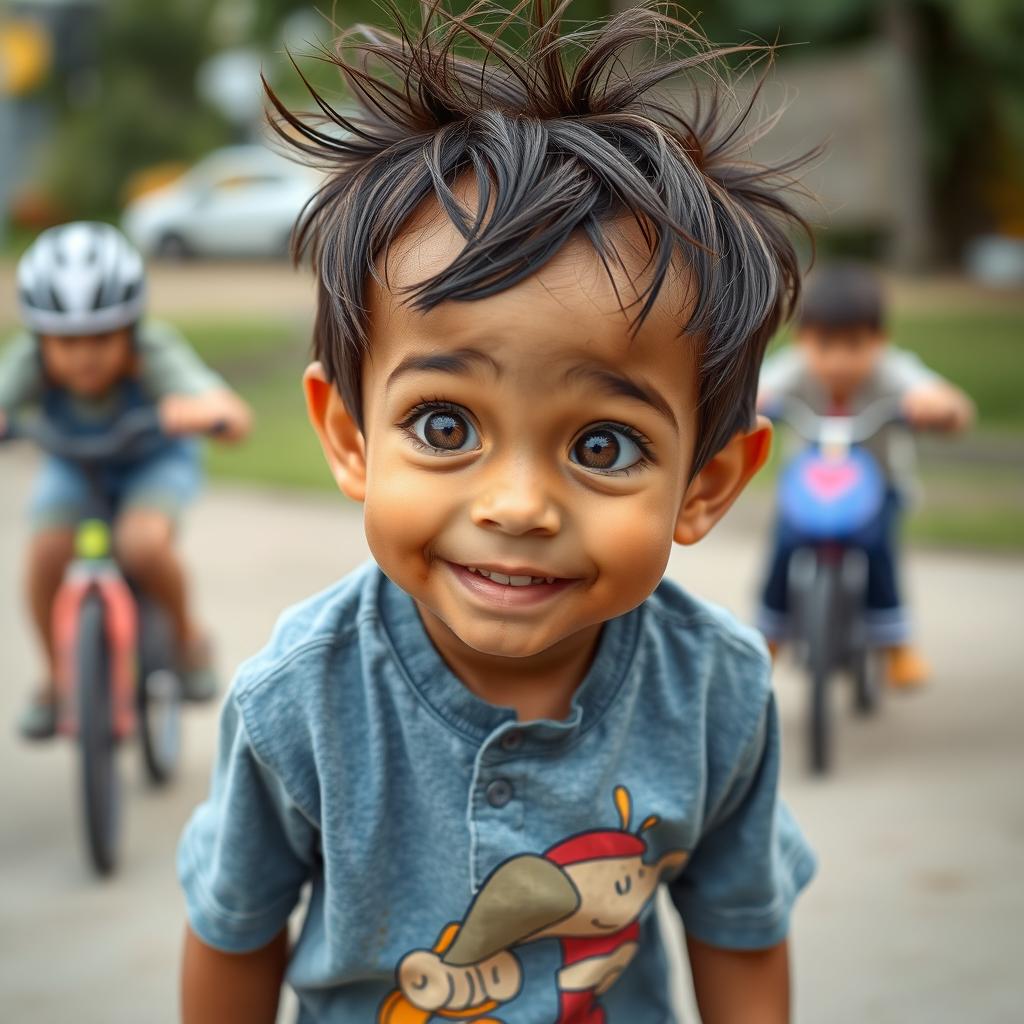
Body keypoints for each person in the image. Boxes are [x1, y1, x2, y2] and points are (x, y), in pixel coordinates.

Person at [178, 5, 817, 1022]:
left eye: (600, 445)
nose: (517, 505)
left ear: (706, 485)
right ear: (348, 436)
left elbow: (739, 929)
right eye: (443, 425)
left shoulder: (715, 694)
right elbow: (234, 932)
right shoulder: (297, 701)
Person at [0, 221, 252, 740]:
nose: (82, 355)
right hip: (73, 466)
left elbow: (230, 411)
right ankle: (56, 677)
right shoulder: (27, 360)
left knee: (141, 543)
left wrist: (205, 411)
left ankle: (187, 640)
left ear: (131, 327)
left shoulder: (155, 350)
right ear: (39, 336)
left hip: (153, 462)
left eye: (100, 337)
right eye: (65, 341)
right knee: (46, 551)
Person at [755, 262, 974, 689]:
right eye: (824, 344)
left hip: (879, 487)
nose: (838, 360)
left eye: (854, 344)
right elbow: (755, 391)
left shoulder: (892, 370)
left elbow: (953, 405)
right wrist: (752, 401)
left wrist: (937, 407)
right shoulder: (794, 369)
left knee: (878, 548)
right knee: (783, 543)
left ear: (879, 342)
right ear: (802, 340)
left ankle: (894, 641)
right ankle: (771, 633)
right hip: (811, 488)